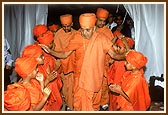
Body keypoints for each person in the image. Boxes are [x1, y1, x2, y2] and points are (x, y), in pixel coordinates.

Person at [40, 13, 126, 111]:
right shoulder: (77, 37)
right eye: (82, 29)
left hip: (96, 79)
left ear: (94, 28)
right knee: (82, 106)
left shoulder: (102, 38)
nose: (84, 33)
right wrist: (50, 51)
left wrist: (126, 55)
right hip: (80, 80)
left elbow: (114, 55)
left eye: (87, 30)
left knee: (94, 106)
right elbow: (64, 54)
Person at [53, 14, 76, 111]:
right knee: (66, 87)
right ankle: (68, 104)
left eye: (68, 26)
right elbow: (57, 50)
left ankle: (72, 105)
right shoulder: (58, 34)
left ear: (72, 24)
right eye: (64, 26)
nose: (66, 28)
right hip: (63, 64)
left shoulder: (76, 33)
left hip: (74, 64)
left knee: (73, 87)